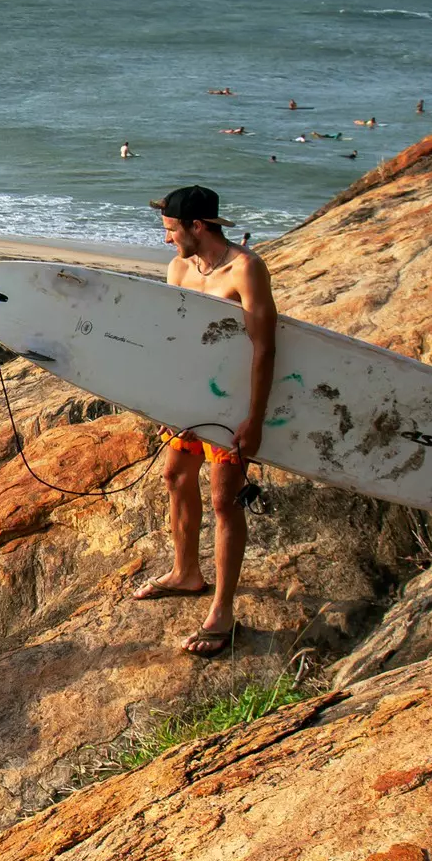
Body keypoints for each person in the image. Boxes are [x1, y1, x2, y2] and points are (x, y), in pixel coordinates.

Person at [133, 186, 278, 657]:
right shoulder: (179, 267)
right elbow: (174, 337)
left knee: (223, 501)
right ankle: (186, 572)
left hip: (230, 401)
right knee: (175, 477)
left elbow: (264, 346)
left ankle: (223, 609)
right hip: (188, 396)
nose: (167, 240)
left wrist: (253, 419)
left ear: (198, 227)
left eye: (172, 231)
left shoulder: (245, 269)